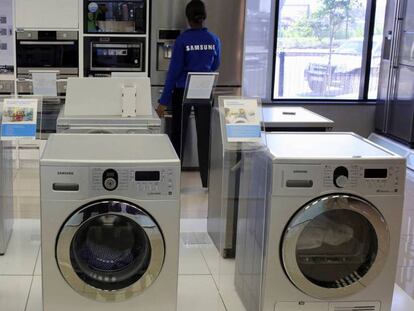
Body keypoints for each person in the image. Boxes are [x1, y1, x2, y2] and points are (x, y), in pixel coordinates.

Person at [156, 0, 221, 188]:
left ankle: (174, 182)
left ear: (188, 18)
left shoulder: (182, 41)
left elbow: (173, 72)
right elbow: (216, 64)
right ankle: (206, 183)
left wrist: (163, 101)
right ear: (203, 17)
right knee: (205, 136)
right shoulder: (214, 39)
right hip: (205, 89)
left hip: (182, 90)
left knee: (178, 136)